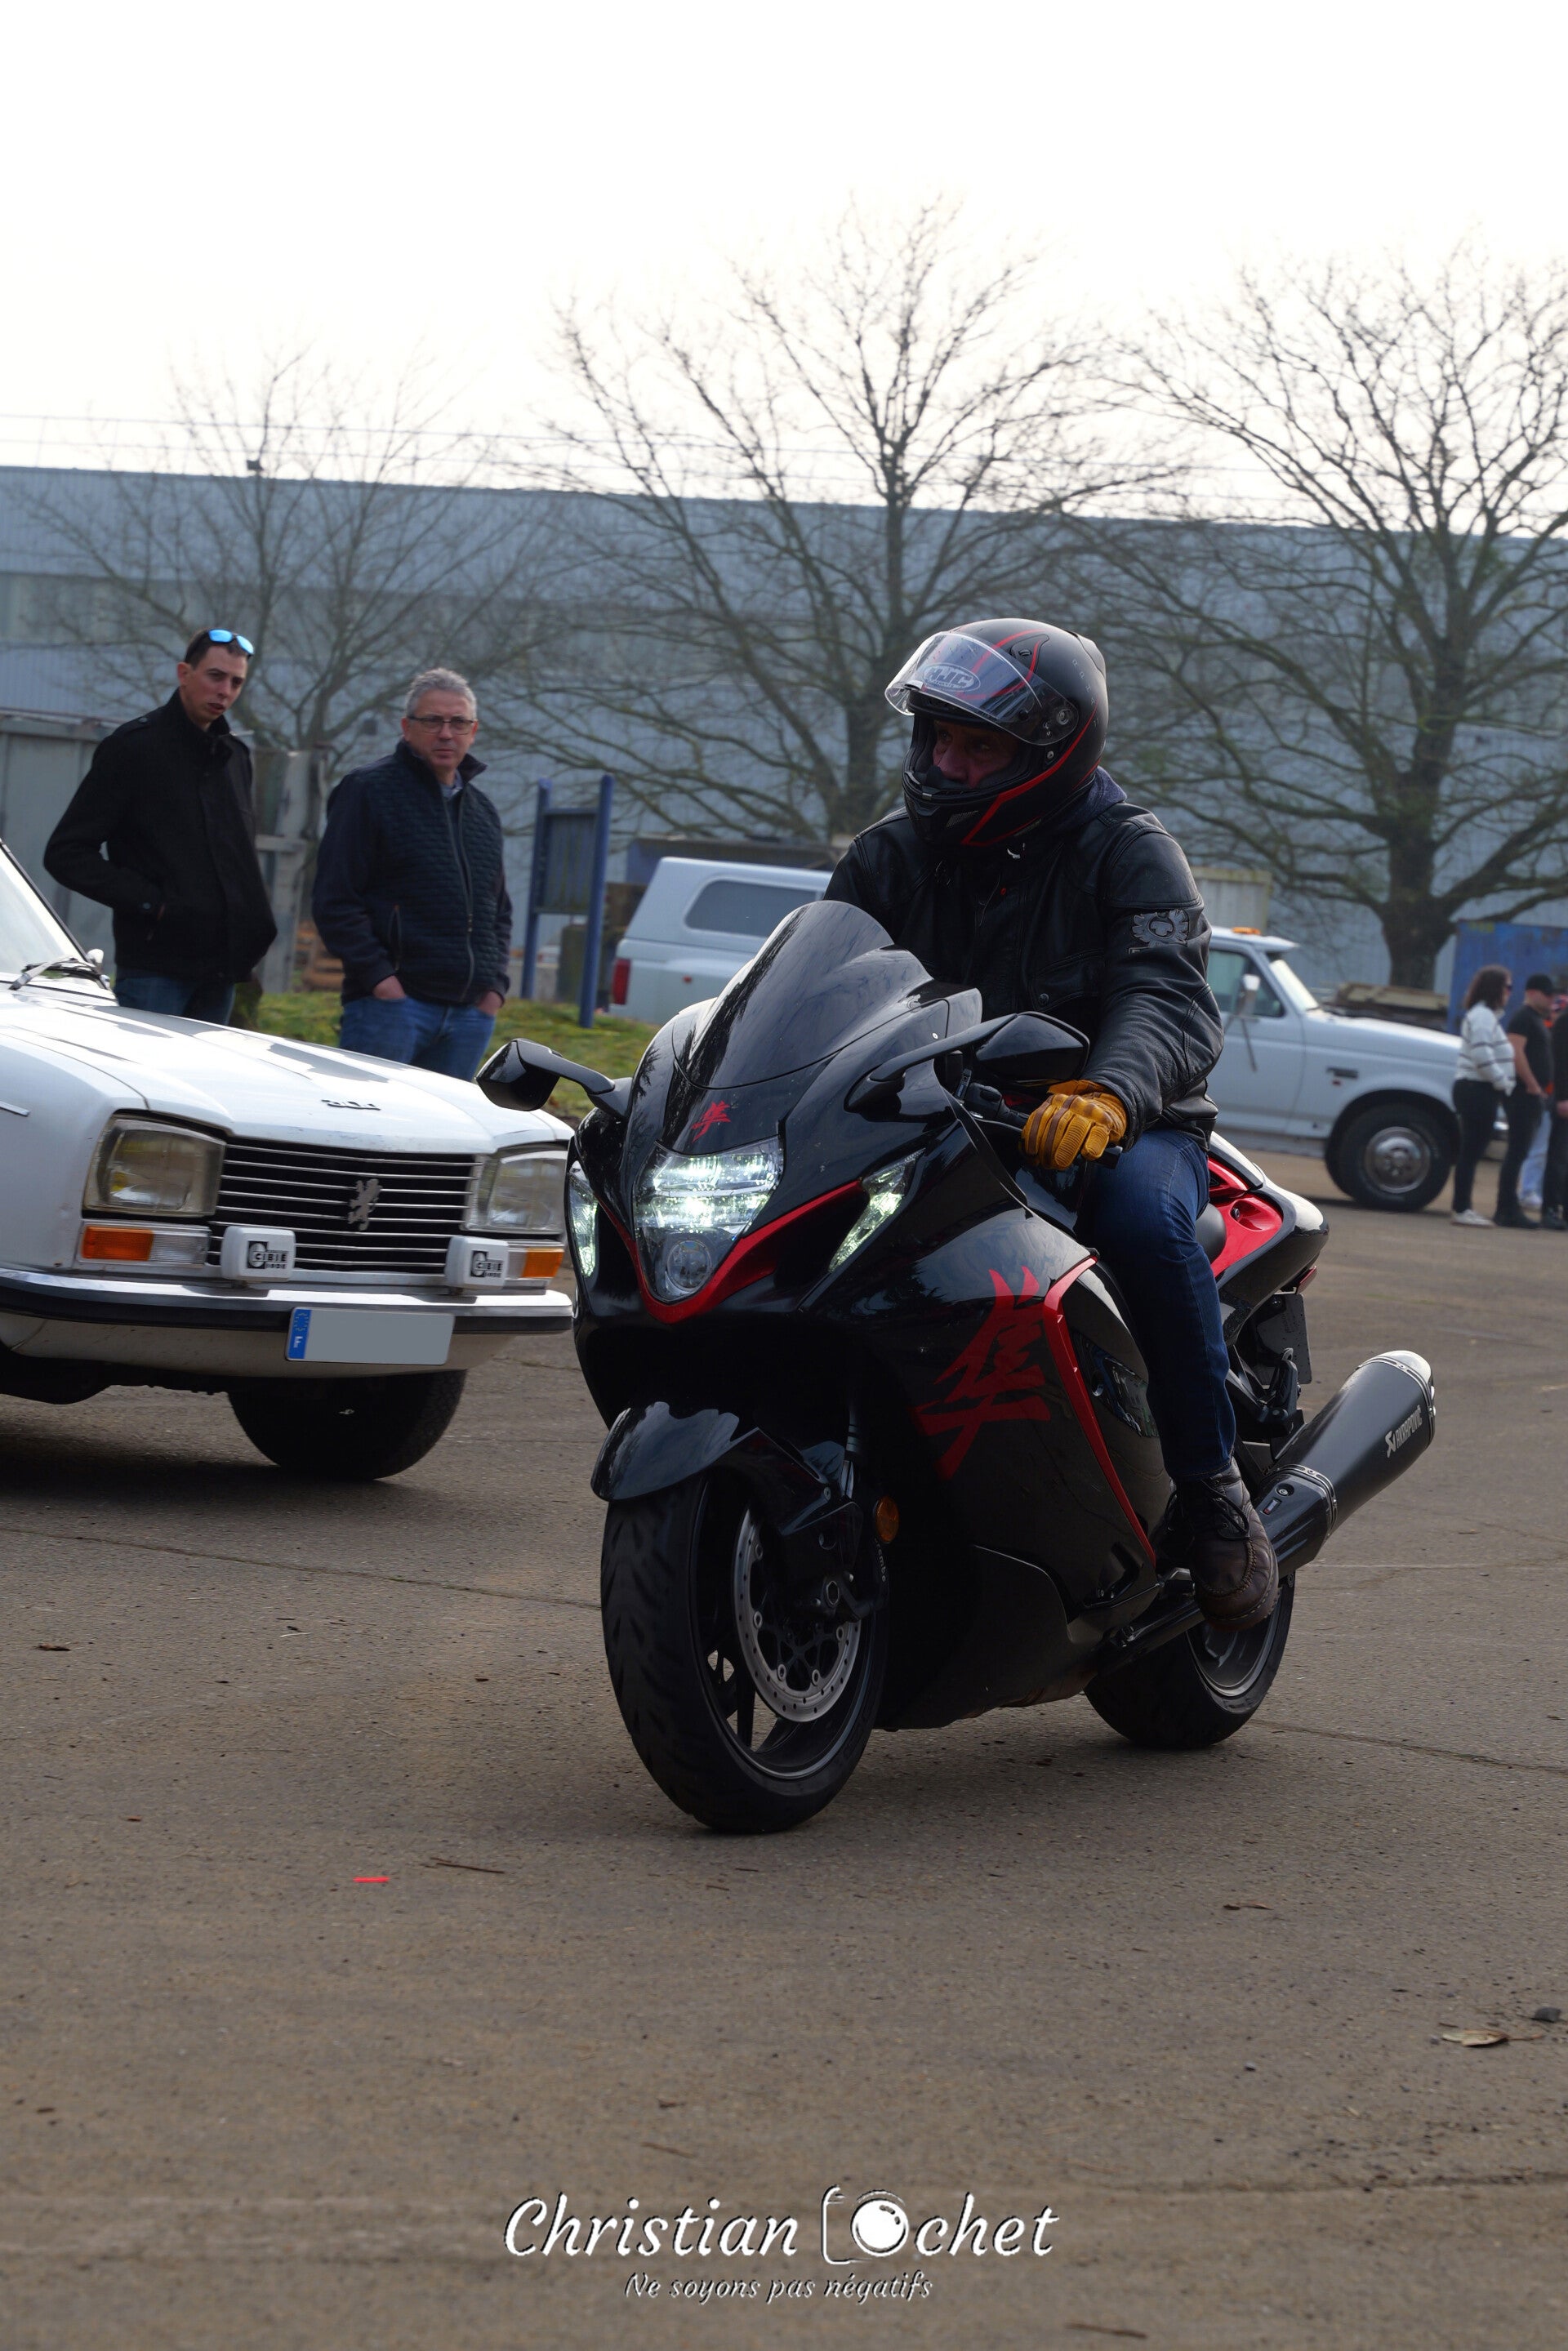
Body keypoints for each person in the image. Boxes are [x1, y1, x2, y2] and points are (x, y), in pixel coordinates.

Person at [826, 617, 1276, 1632]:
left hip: (1119, 1118)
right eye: (941, 739)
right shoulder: (887, 858)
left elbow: (1167, 996)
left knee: (1142, 1222)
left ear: (1049, 754)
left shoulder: (1129, 851)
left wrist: (1109, 1091)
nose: (949, 764)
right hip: (937, 1112)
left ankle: (1211, 1488)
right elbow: (810, 987)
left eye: (978, 747)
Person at [43, 629, 277, 1021]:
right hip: (155, 971)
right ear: (184, 673)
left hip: (221, 972)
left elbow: (238, 861)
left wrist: (252, 926)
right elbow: (67, 853)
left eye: (236, 682)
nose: (225, 691)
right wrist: (153, 904)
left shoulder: (235, 757)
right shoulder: (133, 748)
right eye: (215, 676)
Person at [313, 668, 511, 1080]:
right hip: (390, 1010)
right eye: (432, 721)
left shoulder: (483, 812)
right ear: (406, 728)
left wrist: (494, 989)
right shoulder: (368, 791)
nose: (446, 734)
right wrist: (381, 982)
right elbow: (335, 900)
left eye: (458, 723)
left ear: (473, 731)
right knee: (368, 1119)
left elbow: (499, 911)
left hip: (469, 1018)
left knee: (442, 1126)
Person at [1450, 964, 1515, 1226]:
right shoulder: (1483, 1016)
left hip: (1477, 1089)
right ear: (1495, 988)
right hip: (1477, 1089)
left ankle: (1463, 1207)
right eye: (1508, 987)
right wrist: (1503, 1082)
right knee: (1472, 1151)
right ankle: (1462, 1208)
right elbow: (1481, 1055)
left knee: (1472, 1150)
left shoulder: (1485, 1016)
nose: (1510, 992)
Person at [1494, 972, 1555, 1229]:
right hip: (1523, 1094)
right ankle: (1506, 1209)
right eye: (1547, 994)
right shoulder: (1523, 1018)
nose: (1551, 999)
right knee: (1516, 1152)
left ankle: (1509, 1207)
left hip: (1532, 1094)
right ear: (1531, 993)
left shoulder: (1536, 1019)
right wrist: (1532, 1084)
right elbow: (1515, 1051)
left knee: (1520, 1152)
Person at [1541, 996, 1568, 1231]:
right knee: (1558, 1158)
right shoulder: (1564, 1022)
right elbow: (1559, 1063)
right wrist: (1562, 1098)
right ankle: (1550, 1208)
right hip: (1563, 1099)